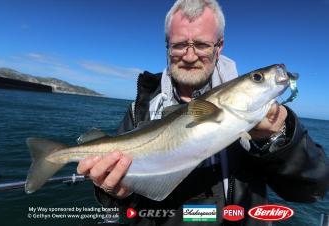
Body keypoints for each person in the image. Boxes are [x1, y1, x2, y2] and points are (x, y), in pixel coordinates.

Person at [77, 0, 329, 225]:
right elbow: (127, 205)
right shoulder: (140, 109)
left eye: (201, 44)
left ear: (219, 47)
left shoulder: (269, 119)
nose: (189, 55)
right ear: (167, 47)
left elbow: (310, 190)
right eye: (178, 45)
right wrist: (114, 193)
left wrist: (279, 139)